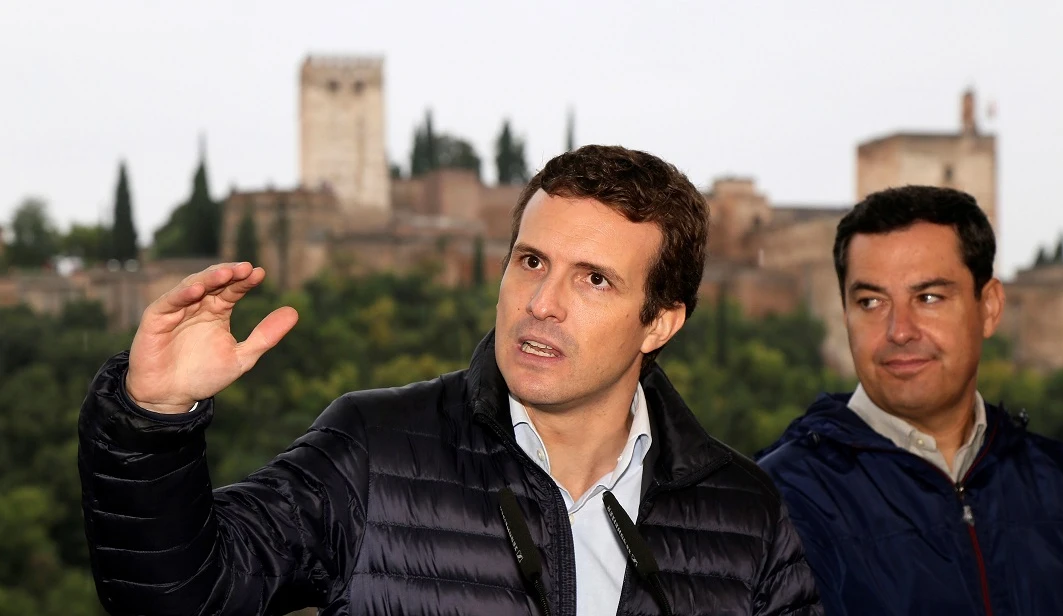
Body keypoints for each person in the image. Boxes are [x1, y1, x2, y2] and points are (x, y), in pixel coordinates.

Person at [79, 145, 821, 616]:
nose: (541, 303)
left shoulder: (744, 514)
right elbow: (182, 596)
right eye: (531, 261)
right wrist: (152, 418)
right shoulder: (375, 448)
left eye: (593, 280)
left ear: (658, 323)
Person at [757, 185, 1063, 615]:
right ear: (845, 316)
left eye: (929, 297)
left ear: (989, 307)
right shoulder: (773, 506)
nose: (900, 330)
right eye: (871, 302)